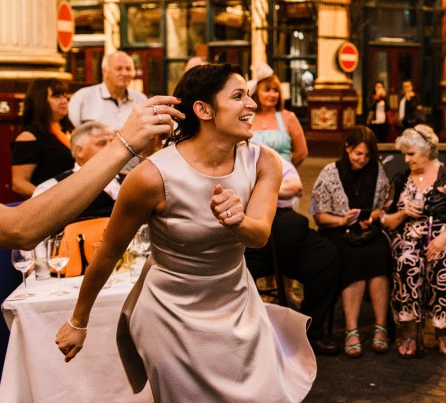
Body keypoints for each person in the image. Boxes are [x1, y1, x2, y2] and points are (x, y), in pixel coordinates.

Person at [56, 64, 315, 402]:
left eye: (248, 95)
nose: (251, 105)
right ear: (203, 110)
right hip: (170, 317)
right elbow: (108, 251)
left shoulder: (264, 162)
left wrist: (238, 222)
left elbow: (260, 235)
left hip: (239, 308)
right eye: (238, 96)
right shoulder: (152, 177)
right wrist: (78, 321)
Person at [1, 95, 181, 249]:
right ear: (79, 150)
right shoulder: (48, 187)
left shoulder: (125, 181)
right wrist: (123, 143)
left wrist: (149, 153)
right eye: (102, 143)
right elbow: (20, 229)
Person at [382, 124, 446, 358]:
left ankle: (443, 330)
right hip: (408, 236)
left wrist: (440, 241)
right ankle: (409, 331)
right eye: (404, 154)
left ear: (427, 151)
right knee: (407, 261)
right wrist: (402, 214)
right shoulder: (400, 180)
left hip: (444, 236)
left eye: (411, 154)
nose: (406, 159)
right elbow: (385, 220)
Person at [309, 126, 392, 358]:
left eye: (367, 155)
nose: (362, 160)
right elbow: (318, 215)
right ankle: (351, 329)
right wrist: (341, 220)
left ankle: (380, 326)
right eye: (358, 154)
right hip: (336, 229)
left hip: (368, 230)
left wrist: (372, 217)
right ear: (347, 148)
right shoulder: (330, 172)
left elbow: (384, 206)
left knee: (380, 252)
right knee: (352, 256)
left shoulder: (378, 171)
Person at [245, 156, 341, 356]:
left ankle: (312, 330)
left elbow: (295, 186)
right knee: (238, 265)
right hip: (247, 233)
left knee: (326, 255)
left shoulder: (263, 154)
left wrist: (264, 190)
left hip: (286, 226)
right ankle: (250, 335)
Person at [68, 51, 149, 171]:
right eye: (119, 68)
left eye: (128, 69)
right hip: (93, 171)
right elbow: (74, 135)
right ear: (105, 71)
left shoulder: (141, 100)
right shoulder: (83, 97)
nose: (125, 73)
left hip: (130, 172)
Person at [32, 122, 119, 221]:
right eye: (101, 143)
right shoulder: (50, 189)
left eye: (112, 142)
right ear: (79, 151)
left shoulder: (129, 179)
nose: (111, 148)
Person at [11, 79, 74, 198]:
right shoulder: (29, 136)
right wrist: (50, 198)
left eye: (65, 96)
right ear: (40, 101)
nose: (64, 101)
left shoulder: (70, 131)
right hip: (50, 207)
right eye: (57, 96)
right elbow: (18, 183)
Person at [249, 65, 308, 167]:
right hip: (252, 177)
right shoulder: (248, 117)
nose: (272, 95)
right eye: (267, 90)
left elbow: (301, 153)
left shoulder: (289, 117)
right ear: (256, 93)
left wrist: (286, 168)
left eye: (275, 90)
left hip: (283, 177)